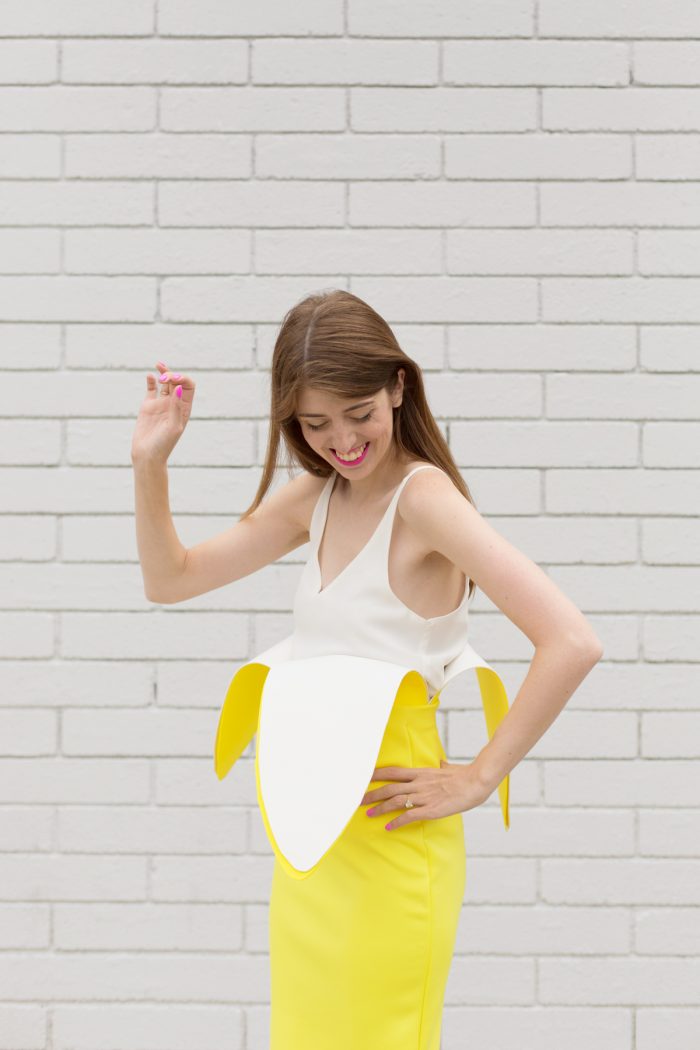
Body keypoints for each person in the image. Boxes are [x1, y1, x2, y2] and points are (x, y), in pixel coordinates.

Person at [131, 288, 603, 1049]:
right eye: (315, 425)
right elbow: (172, 579)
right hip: (313, 833)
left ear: (398, 388)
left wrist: (479, 776)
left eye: (359, 414)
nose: (342, 442)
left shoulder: (423, 500)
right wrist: (150, 463)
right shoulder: (314, 497)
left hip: (391, 832)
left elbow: (571, 639)